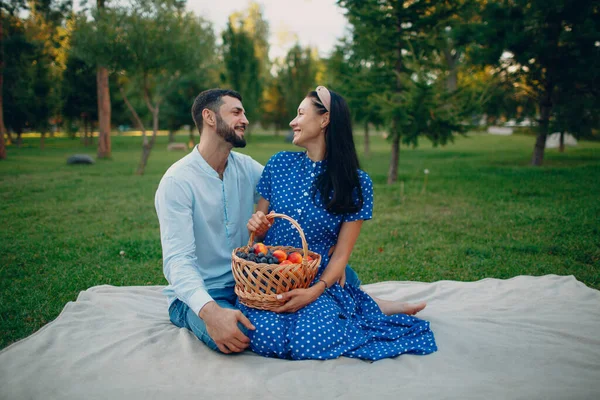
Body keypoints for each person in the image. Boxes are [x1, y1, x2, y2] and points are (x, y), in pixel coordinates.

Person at [240, 86, 437, 361]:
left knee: (309, 342)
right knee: (262, 337)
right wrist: (257, 228)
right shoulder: (279, 164)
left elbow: (342, 254)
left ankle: (364, 306)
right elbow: (258, 238)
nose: (292, 122)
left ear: (324, 120)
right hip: (271, 279)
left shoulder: (356, 183)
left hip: (318, 279)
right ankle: (370, 304)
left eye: (300, 113)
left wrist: (313, 292)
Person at [155, 89, 261, 354]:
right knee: (239, 334)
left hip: (248, 285)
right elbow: (177, 261)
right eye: (236, 112)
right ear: (209, 117)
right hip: (202, 294)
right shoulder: (177, 182)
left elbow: (289, 194)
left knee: (338, 283)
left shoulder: (246, 168)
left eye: (244, 113)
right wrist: (210, 312)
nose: (245, 119)